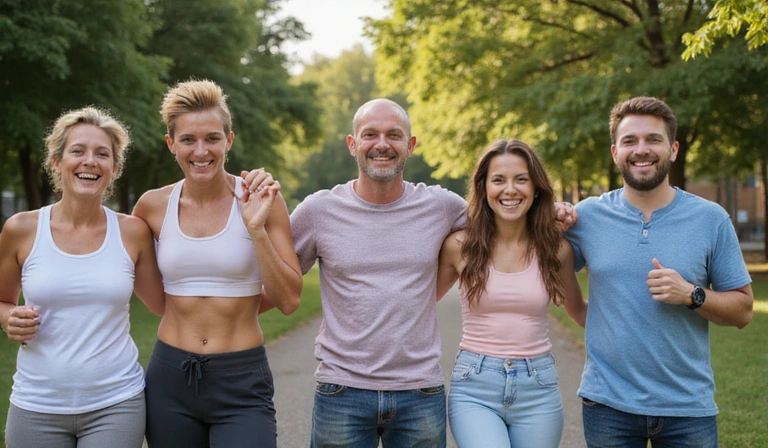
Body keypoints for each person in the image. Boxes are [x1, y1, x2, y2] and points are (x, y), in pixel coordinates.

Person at [290, 98, 578, 447]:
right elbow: (283, 284)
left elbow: (505, 216)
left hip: (419, 391)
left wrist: (554, 213)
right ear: (353, 144)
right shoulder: (319, 211)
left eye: (394, 135)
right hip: (341, 389)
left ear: (410, 146)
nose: (382, 144)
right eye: (370, 134)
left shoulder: (442, 207)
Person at [565, 96, 754, 448]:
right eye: (630, 141)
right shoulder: (586, 216)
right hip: (607, 405)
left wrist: (691, 295)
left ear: (674, 149)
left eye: (653, 139)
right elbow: (538, 258)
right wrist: (552, 216)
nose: (642, 150)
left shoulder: (711, 219)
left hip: (687, 408)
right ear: (614, 152)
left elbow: (743, 311)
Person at [132, 79, 302, 448]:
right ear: (170, 144)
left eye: (212, 138)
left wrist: (255, 229)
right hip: (169, 380)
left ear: (229, 139)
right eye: (188, 140)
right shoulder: (151, 207)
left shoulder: (263, 200)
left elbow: (288, 300)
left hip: (242, 379)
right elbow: (145, 288)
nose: (200, 151)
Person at [0, 107, 165, 447]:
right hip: (36, 405)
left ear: (114, 169)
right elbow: (1, 300)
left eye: (102, 154)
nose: (90, 161)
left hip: (116, 404)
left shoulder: (132, 232)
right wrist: (7, 317)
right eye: (78, 151)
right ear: (56, 161)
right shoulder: (21, 229)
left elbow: (165, 304)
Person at [436, 139, 587, 448]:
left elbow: (580, 312)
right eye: (498, 180)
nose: (510, 190)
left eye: (521, 179)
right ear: (483, 187)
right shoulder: (460, 246)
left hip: (539, 388)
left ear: (536, 188)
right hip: (475, 386)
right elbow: (418, 304)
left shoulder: (556, 249)